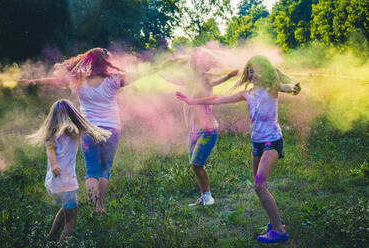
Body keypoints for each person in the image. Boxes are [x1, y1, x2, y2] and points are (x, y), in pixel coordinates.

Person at [176, 55, 301, 243]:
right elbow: (219, 99)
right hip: (257, 144)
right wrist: (192, 101)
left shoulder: (272, 88)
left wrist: (293, 88)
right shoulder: (247, 94)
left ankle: (278, 230)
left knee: (259, 185)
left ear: (266, 72)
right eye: (250, 70)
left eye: (258, 70)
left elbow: (286, 87)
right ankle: (274, 220)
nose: (253, 74)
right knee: (259, 186)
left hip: (272, 142)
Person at [19, 48, 145, 213]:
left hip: (87, 130)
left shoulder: (78, 80)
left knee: (92, 170)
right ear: (105, 62)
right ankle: (100, 206)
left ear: (87, 62)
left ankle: (93, 208)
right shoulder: (115, 79)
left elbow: (53, 81)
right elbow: (142, 74)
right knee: (105, 169)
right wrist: (164, 66)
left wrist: (32, 81)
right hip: (112, 129)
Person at [159, 47, 238, 206]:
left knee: (197, 164)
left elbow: (218, 81)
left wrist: (229, 76)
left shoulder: (206, 78)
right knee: (195, 166)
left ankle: (208, 196)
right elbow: (174, 79)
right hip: (193, 131)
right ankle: (204, 196)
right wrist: (160, 72)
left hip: (207, 130)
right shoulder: (190, 78)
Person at [27, 99, 111, 242]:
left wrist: (53, 165)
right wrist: (54, 165)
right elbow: (51, 152)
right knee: (71, 221)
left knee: (67, 208)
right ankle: (61, 244)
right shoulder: (72, 131)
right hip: (66, 183)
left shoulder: (50, 134)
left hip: (53, 183)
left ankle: (51, 237)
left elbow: (50, 150)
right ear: (73, 115)